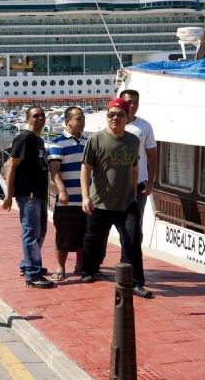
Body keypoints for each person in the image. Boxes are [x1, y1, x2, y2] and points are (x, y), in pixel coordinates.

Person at [80, 98, 153, 298]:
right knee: (93, 241)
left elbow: (135, 167)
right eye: (111, 114)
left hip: (126, 202)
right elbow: (86, 168)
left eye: (120, 114)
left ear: (126, 117)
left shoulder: (133, 140)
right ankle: (89, 270)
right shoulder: (96, 139)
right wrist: (86, 197)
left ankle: (136, 282)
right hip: (100, 202)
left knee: (132, 240)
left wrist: (134, 191)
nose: (115, 118)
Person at [1, 106, 53, 289]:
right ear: (27, 118)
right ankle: (32, 274)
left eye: (42, 115)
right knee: (31, 233)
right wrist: (8, 195)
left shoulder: (38, 140)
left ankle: (28, 264)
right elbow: (11, 166)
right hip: (28, 194)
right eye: (35, 116)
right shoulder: (24, 138)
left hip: (39, 193)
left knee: (41, 232)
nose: (40, 119)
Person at [47, 107, 87, 281]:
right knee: (62, 235)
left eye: (83, 118)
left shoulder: (90, 142)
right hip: (67, 200)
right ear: (67, 121)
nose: (82, 122)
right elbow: (54, 170)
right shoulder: (57, 144)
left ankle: (80, 267)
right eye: (78, 118)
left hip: (86, 200)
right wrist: (62, 191)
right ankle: (60, 267)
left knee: (84, 236)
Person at [120, 89, 157, 228]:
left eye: (136, 102)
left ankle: (133, 250)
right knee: (116, 225)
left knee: (135, 226)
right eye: (129, 102)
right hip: (115, 185)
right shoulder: (113, 124)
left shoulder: (145, 126)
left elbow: (152, 156)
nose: (133, 105)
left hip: (139, 183)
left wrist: (150, 182)